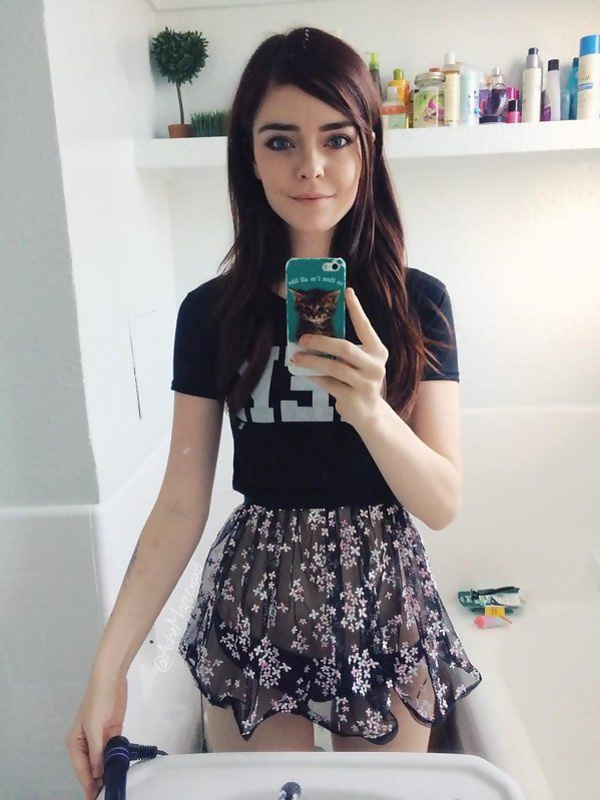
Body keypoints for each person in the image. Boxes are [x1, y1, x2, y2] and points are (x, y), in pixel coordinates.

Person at [66, 25, 482, 799]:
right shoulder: (211, 313)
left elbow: (442, 501)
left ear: (369, 148)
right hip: (258, 591)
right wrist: (106, 669)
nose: (311, 166)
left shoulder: (418, 304)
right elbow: (180, 502)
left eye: (337, 139)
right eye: (281, 141)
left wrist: (370, 410)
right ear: (249, 158)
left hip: (382, 588)